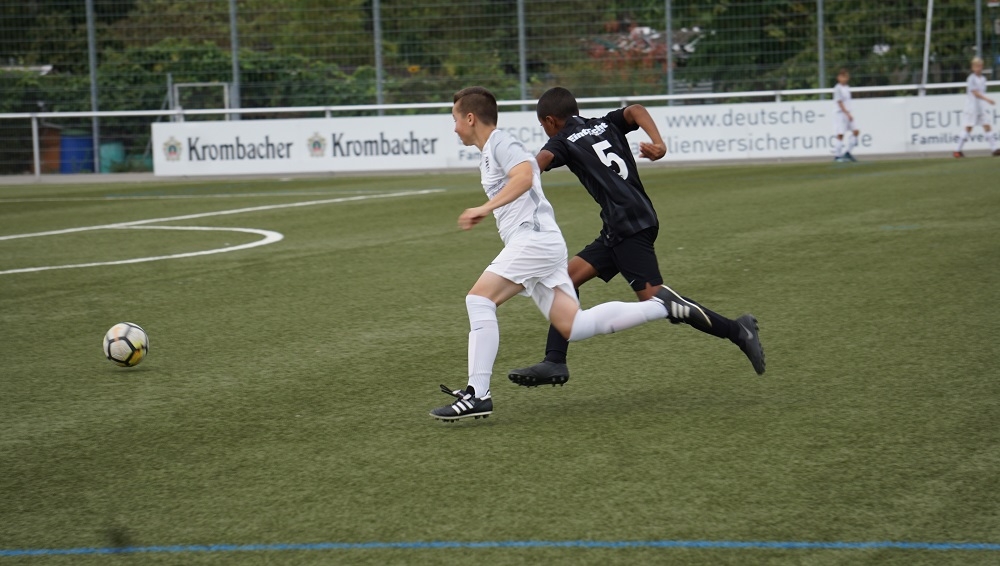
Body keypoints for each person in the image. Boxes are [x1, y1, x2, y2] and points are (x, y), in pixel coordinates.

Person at [430, 86, 683, 422]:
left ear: (471, 118)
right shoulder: (491, 150)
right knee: (574, 326)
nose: (454, 127)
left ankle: (478, 394)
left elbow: (525, 175)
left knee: (479, 300)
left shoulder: (500, 142)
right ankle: (661, 306)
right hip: (542, 242)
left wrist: (484, 208)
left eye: (455, 119)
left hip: (532, 239)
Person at [507, 86, 764, 388]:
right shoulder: (605, 123)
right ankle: (554, 360)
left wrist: (511, 182)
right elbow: (636, 110)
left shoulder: (561, 140)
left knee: (658, 301)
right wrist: (659, 144)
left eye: (543, 125)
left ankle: (738, 331)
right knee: (565, 280)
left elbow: (537, 164)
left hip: (627, 226)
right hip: (627, 222)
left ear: (550, 121)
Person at [954, 57, 998, 158]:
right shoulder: (971, 79)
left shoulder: (983, 79)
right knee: (968, 128)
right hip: (972, 107)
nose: (979, 68)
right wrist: (988, 100)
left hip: (981, 108)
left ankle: (995, 149)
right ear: (973, 67)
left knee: (987, 126)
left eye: (980, 66)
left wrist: (985, 101)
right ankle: (957, 150)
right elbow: (975, 93)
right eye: (977, 66)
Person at [833, 68, 860, 162]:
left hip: (848, 113)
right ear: (839, 77)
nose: (845, 79)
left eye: (846, 77)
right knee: (840, 134)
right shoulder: (838, 88)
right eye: (843, 77)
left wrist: (849, 113)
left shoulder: (847, 87)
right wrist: (846, 113)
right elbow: (839, 102)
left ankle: (848, 152)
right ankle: (837, 155)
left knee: (856, 131)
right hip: (841, 114)